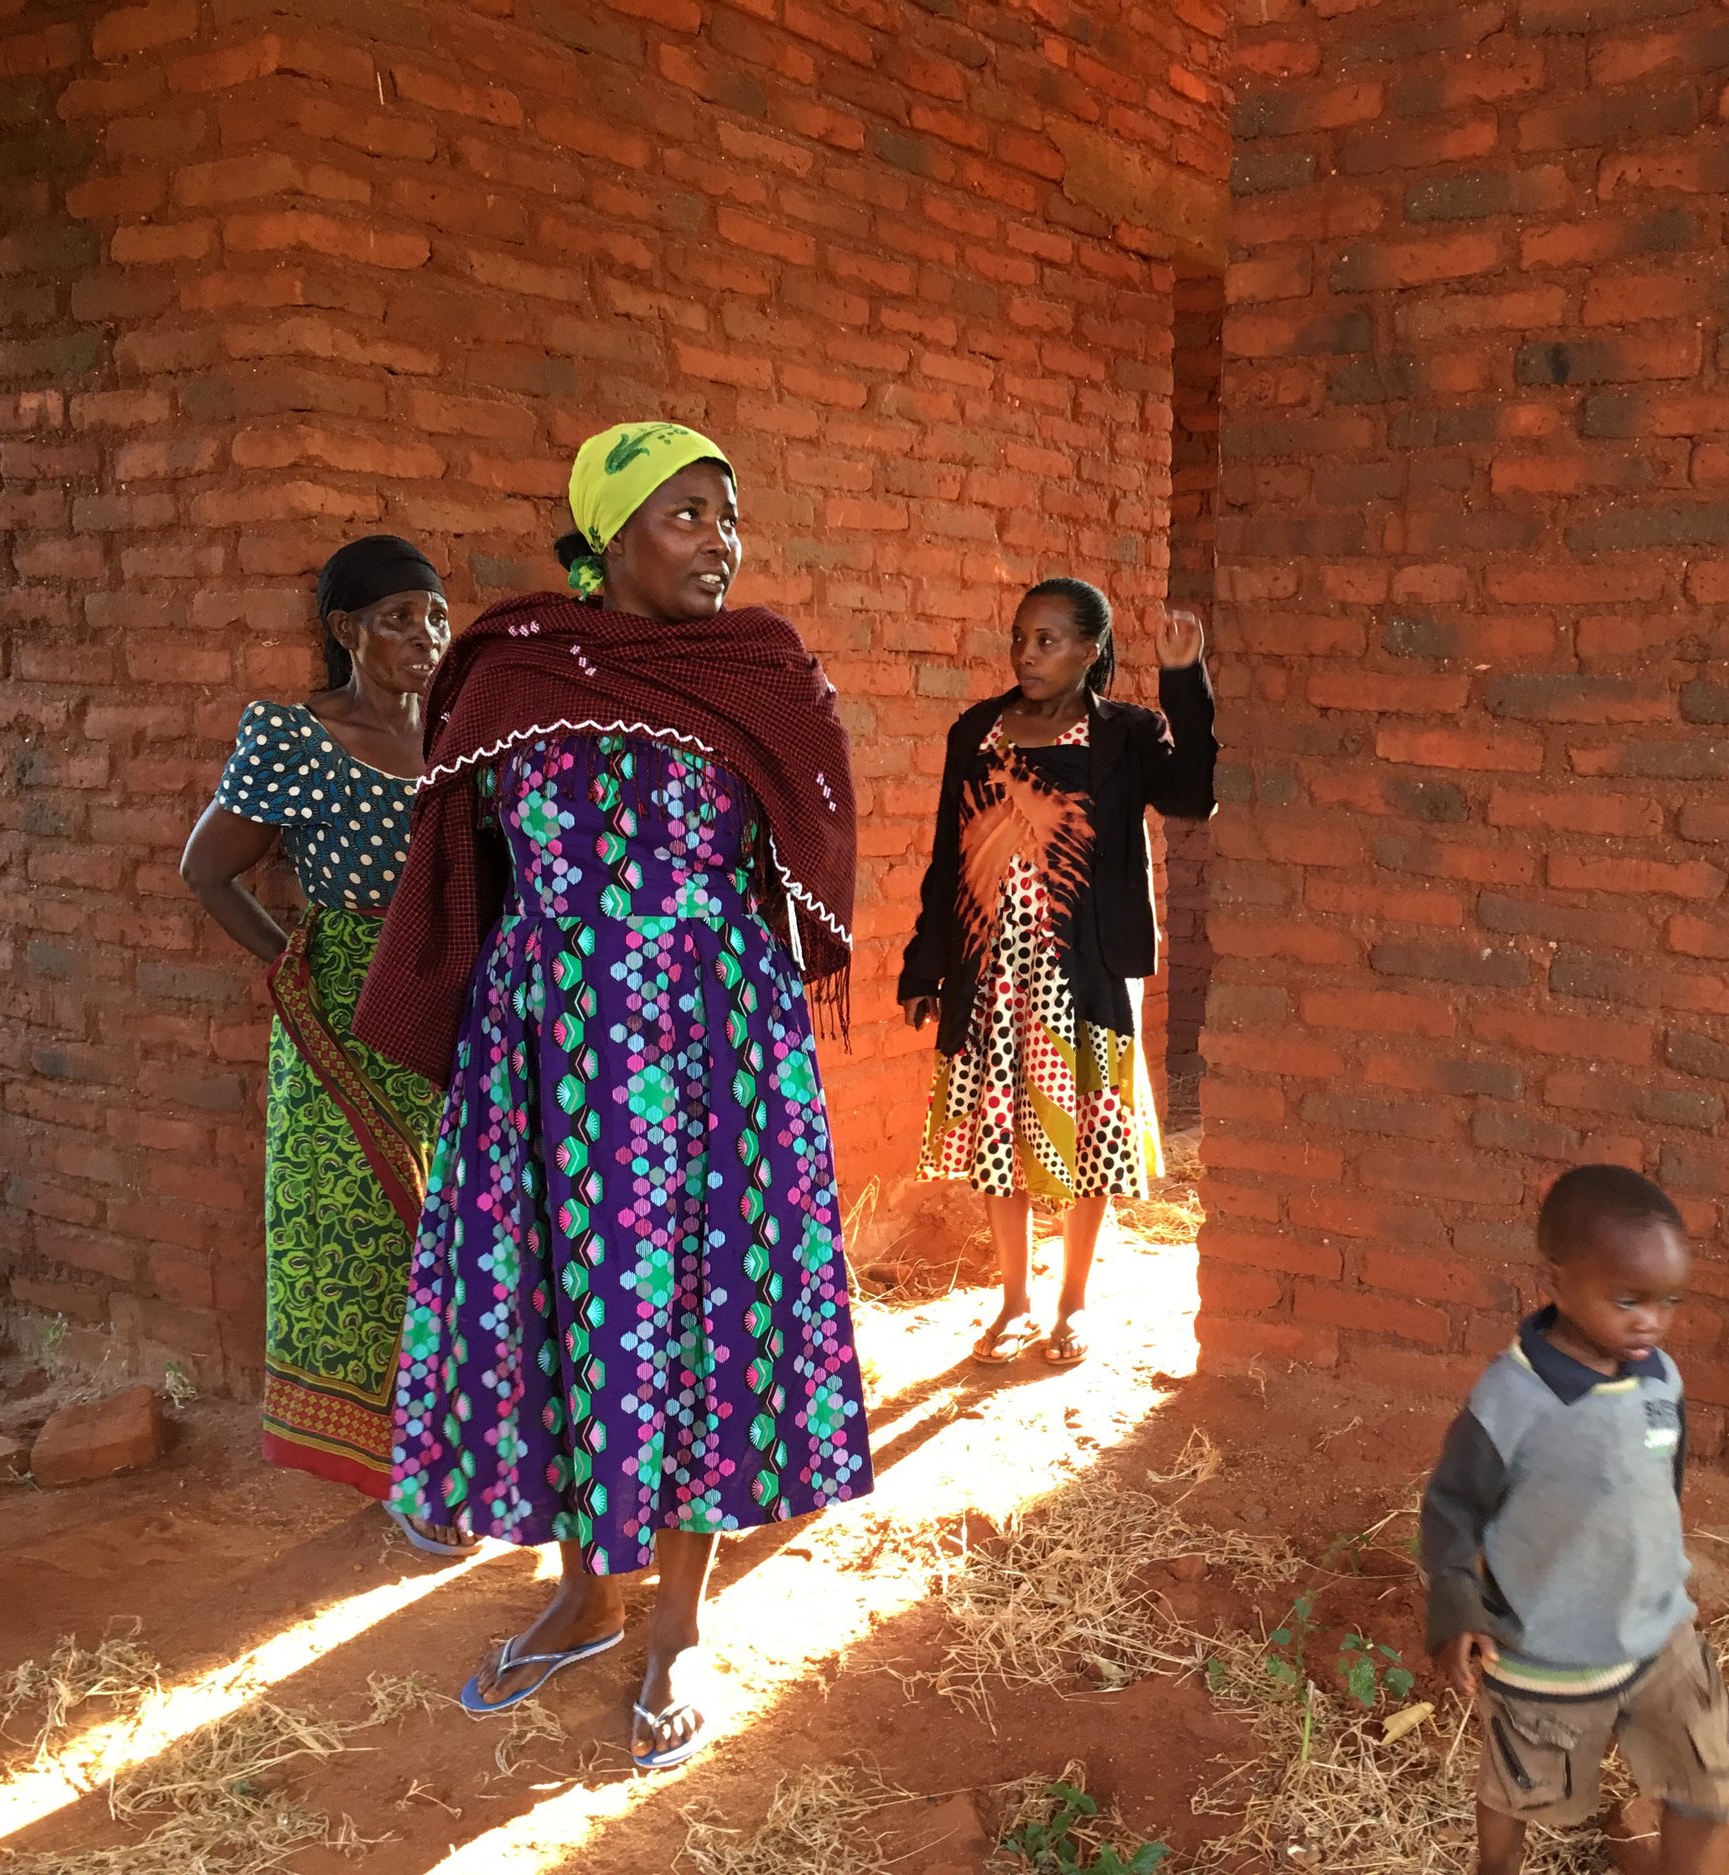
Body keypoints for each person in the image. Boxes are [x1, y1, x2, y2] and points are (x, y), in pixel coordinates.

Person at [353, 421, 870, 1772]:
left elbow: (813, 827)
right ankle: (585, 1591)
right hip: (547, 1049)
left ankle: (678, 1624)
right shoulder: (514, 670)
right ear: (612, 533)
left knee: (695, 1312)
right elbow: (458, 861)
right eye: (689, 514)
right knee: (569, 1307)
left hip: (713, 1045)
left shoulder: (760, 672)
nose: (721, 540)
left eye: (728, 514)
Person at [179, 534, 470, 1556]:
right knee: (370, 1242)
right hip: (342, 1016)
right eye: (398, 619)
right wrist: (291, 967)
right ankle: (405, 1474)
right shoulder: (295, 738)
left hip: (457, 1012)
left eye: (435, 617)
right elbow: (205, 870)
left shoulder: (461, 734)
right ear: (345, 631)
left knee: (460, 1242)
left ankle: (462, 1445)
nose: (424, 638)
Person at [899, 578, 1216, 1369]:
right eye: (1019, 638)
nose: (1027, 653)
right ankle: (1013, 1298)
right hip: (992, 967)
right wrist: (923, 967)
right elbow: (947, 859)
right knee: (996, 1135)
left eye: (1047, 640)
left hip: (1086, 965)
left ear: (1089, 649)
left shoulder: (1126, 734)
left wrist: (1184, 680)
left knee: (1090, 1135)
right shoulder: (976, 730)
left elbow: (1194, 796)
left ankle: (1072, 1300)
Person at [1419, 1165, 1729, 1875]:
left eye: (1669, 1302)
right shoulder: (1514, 1396)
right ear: (1557, 1280)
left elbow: (1663, 1477)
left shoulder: (1661, 1375)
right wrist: (1456, 1605)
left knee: (1709, 1779)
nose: (1651, 1322)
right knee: (1522, 1789)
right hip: (1549, 1648)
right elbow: (1452, 1501)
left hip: (1660, 1632)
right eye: (1628, 1299)